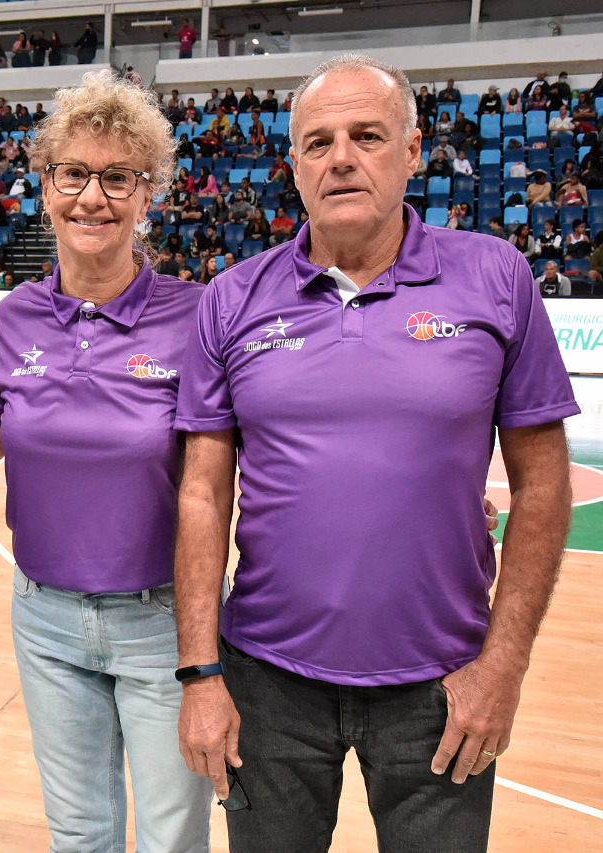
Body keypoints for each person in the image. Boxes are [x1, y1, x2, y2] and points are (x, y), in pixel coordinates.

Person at [174, 53, 577, 853]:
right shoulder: (233, 296)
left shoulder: (495, 276)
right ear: (292, 164)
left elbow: (543, 484)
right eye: (318, 143)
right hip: (266, 681)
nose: (342, 158)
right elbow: (202, 494)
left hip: (443, 684)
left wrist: (503, 666)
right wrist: (201, 674)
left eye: (367, 135)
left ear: (414, 150)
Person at [0, 69, 214, 853]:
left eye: (117, 178)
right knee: (78, 834)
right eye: (74, 174)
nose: (92, 197)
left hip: (165, 621)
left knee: (172, 837)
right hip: (44, 617)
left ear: (149, 194)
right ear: (45, 186)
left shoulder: (196, 313)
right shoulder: (20, 313)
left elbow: (268, 443)